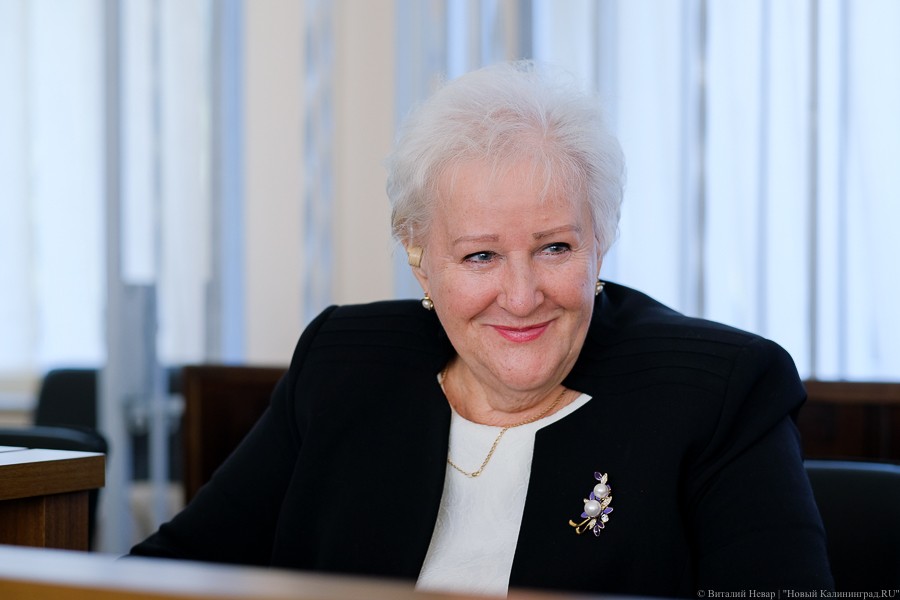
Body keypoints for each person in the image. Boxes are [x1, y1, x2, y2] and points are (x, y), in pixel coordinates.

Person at [130, 61, 833, 597]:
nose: (521, 297)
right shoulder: (343, 366)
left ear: (601, 242)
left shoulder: (719, 393)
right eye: (480, 256)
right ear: (419, 258)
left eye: (555, 247)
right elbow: (163, 577)